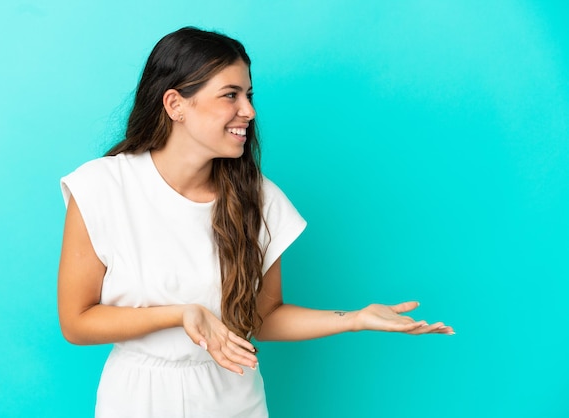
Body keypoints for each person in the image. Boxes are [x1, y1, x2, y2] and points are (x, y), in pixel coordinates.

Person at [57, 26, 455, 418]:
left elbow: (263, 318)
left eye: (248, 95)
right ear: (175, 104)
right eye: (231, 95)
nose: (249, 111)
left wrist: (354, 319)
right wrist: (181, 313)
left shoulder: (260, 200)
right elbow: (77, 322)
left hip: (232, 399)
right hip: (135, 400)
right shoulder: (102, 187)